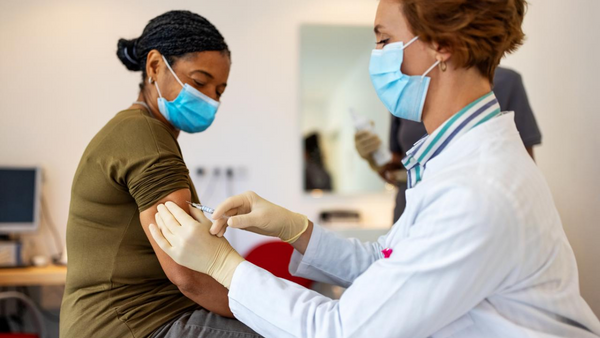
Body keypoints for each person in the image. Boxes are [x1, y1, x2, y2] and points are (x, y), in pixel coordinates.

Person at [149, 0, 600, 337]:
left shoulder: (478, 191)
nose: (376, 56)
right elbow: (388, 263)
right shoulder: (454, 161)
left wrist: (226, 268)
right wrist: (296, 229)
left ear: (441, 45)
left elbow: (345, 330)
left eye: (384, 40)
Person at [59, 10, 260, 338]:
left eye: (219, 91)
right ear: (154, 66)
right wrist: (273, 310)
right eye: (199, 82)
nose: (210, 98)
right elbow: (188, 275)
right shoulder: (147, 137)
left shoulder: (137, 131)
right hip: (134, 324)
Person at [355, 66, 542, 222]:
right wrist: (376, 157)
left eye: (385, 40)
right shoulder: (404, 91)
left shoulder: (505, 82)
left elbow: (522, 169)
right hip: (410, 212)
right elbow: (400, 167)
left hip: (470, 212)